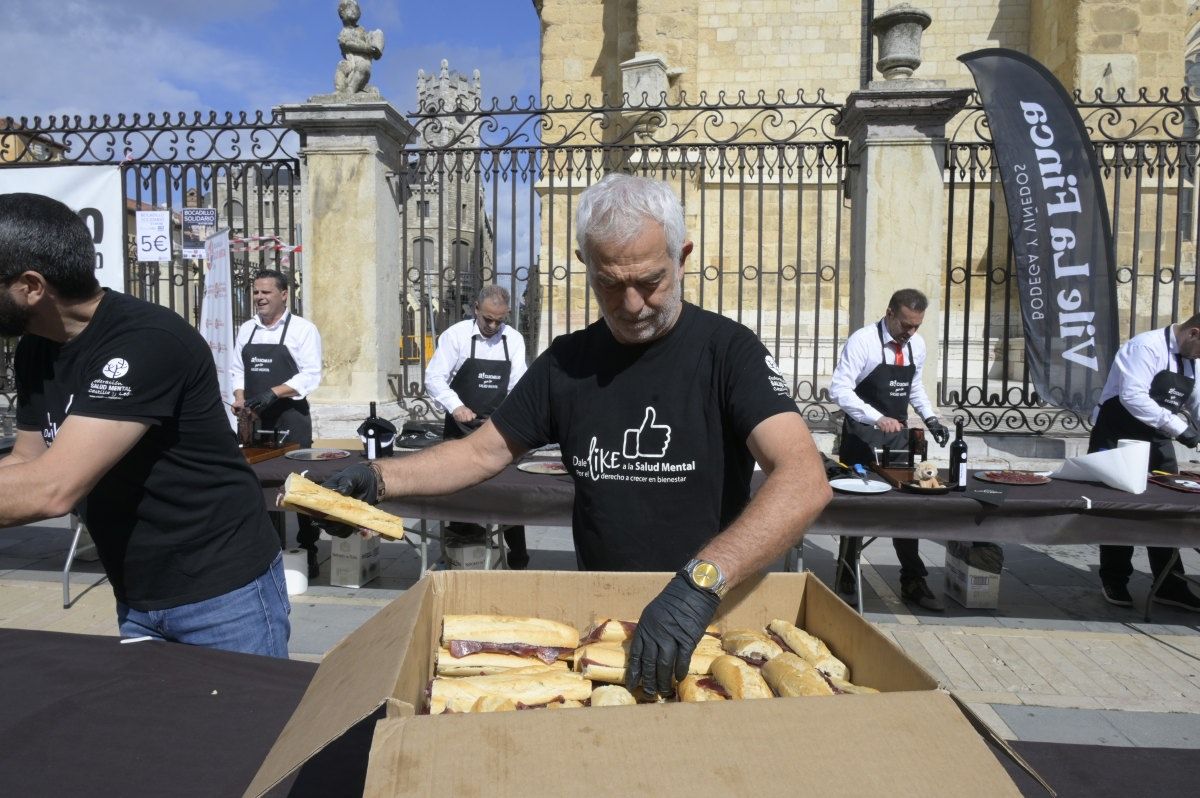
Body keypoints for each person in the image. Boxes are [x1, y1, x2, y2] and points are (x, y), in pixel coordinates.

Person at [320, 173, 831, 697]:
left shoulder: (729, 352)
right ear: (586, 263)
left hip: (708, 616)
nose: (631, 305)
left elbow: (804, 479)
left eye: (650, 281)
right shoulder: (568, 362)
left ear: (683, 256)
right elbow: (480, 452)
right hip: (604, 621)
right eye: (610, 283)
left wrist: (700, 583)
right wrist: (376, 477)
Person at [0, 193, 288, 656]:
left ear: (31, 285)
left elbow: (51, 488)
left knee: (249, 728)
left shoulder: (145, 340)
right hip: (137, 591)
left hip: (221, 592)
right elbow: (27, 460)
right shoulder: (38, 346)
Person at [828, 289, 950, 611]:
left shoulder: (916, 346)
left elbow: (913, 387)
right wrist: (876, 418)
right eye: (906, 325)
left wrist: (932, 418)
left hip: (896, 439)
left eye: (916, 326)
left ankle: (912, 580)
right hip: (861, 435)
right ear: (890, 313)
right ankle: (846, 575)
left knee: (906, 508)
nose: (910, 333)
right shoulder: (863, 341)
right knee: (856, 511)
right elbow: (838, 388)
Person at [1090, 314, 1200, 611]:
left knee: (1169, 507)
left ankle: (1169, 584)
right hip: (1118, 433)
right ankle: (1114, 578)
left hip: (1156, 438)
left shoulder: (1191, 360)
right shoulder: (1144, 347)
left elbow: (1196, 402)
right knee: (1118, 508)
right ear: (1194, 333)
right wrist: (1180, 429)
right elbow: (1133, 397)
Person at [424, 284, 530, 568]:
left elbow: (519, 385)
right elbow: (434, 378)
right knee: (462, 495)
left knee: (509, 495)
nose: (493, 326)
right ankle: (463, 555)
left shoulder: (514, 340)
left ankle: (518, 555)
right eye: (487, 319)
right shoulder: (456, 336)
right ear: (476, 311)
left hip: (498, 430)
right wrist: (456, 406)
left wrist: (506, 417)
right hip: (460, 432)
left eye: (499, 320)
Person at [231, 269, 324, 577]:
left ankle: (307, 550)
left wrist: (273, 393)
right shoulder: (247, 329)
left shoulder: (303, 330)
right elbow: (236, 370)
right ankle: (268, 553)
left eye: (266, 292)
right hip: (254, 422)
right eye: (256, 292)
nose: (259, 297)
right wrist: (242, 399)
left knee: (300, 485)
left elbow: (311, 374)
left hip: (290, 418)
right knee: (259, 485)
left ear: (284, 295)